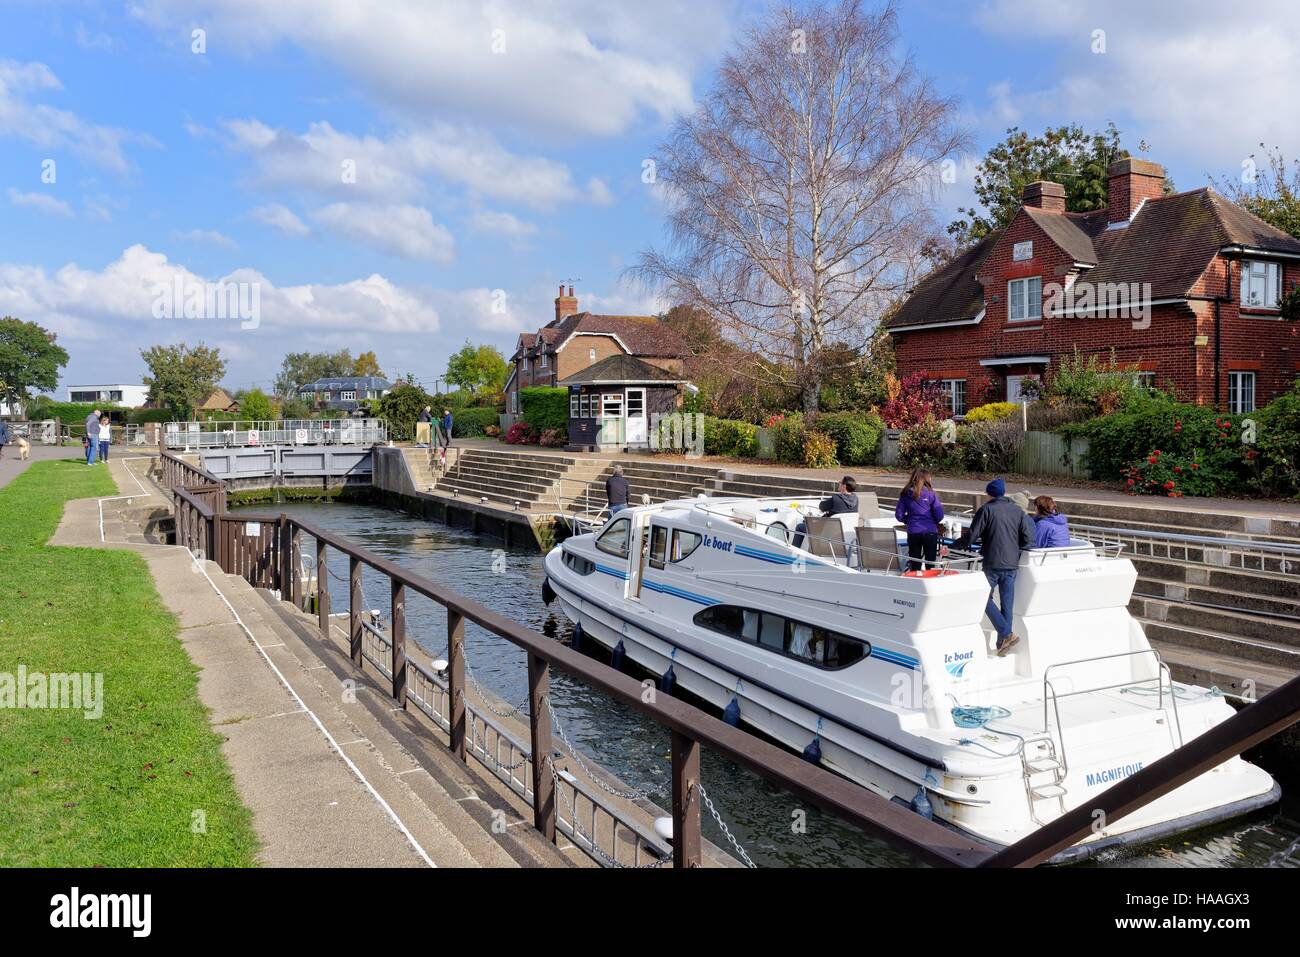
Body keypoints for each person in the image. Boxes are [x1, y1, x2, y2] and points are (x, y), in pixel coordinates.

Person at [956, 478, 1035, 657]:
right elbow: (1028, 539)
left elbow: (972, 537)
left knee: (983, 598)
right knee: (1007, 605)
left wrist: (953, 546)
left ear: (989, 494)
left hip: (992, 563)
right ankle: (1002, 644)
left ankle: (1007, 634)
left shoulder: (986, 509)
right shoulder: (1017, 510)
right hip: (1012, 564)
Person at [895, 467, 944, 571]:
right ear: (927, 479)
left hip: (913, 531)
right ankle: (929, 582)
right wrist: (932, 522)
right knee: (930, 562)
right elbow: (939, 515)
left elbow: (899, 515)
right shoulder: (931, 494)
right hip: (929, 531)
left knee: (914, 561)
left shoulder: (905, 494)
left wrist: (907, 520)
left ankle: (915, 582)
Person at [792, 475, 859, 549]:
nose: (838, 483)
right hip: (844, 534)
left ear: (844, 486)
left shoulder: (835, 499)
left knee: (800, 526)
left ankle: (794, 552)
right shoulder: (856, 500)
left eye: (840, 482)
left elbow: (822, 506)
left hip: (827, 532)